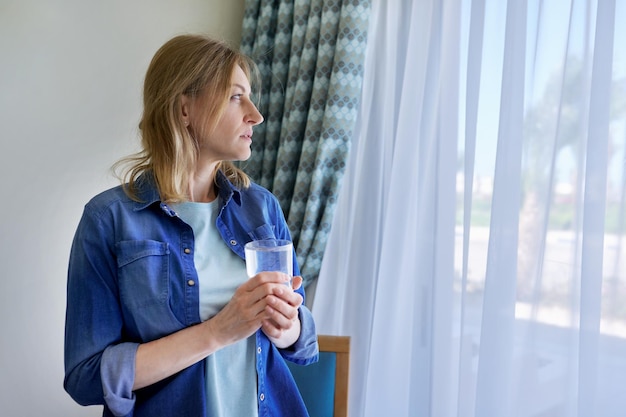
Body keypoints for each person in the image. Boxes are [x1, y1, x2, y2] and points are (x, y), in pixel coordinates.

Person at [64, 34, 319, 417]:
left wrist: (287, 326)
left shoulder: (262, 208)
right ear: (185, 108)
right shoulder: (108, 220)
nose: (256, 114)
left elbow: (303, 341)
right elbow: (86, 377)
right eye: (236, 97)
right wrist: (218, 331)